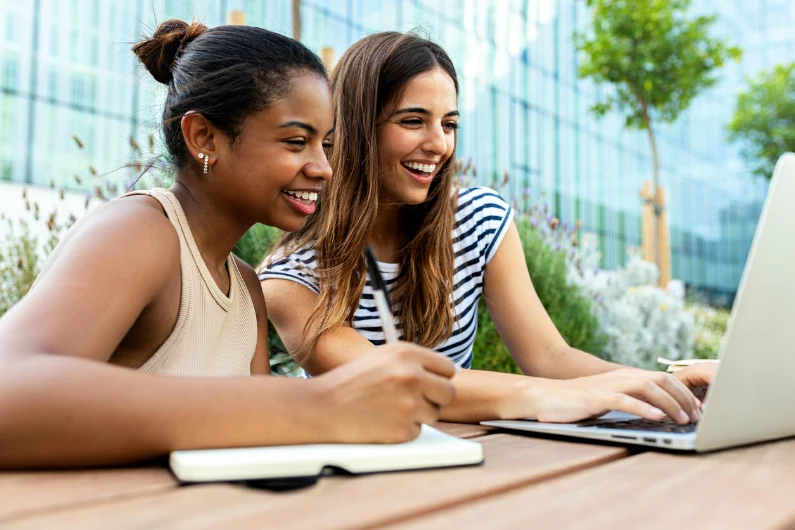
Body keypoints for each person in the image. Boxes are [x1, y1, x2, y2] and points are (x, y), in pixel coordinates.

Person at [0, 21, 457, 469]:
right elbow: (10, 387)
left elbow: (257, 445)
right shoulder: (141, 231)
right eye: (297, 141)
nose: (324, 169)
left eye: (327, 145)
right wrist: (317, 402)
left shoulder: (245, 286)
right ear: (204, 137)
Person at [259, 31, 713, 425]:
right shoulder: (291, 278)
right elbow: (396, 387)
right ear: (357, 127)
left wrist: (659, 385)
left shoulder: (478, 220)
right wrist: (552, 397)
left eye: (449, 123)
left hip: (474, 459)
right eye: (413, 120)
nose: (439, 144)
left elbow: (549, 358)